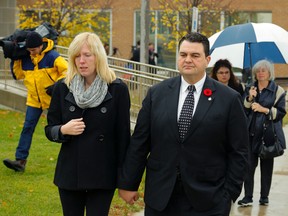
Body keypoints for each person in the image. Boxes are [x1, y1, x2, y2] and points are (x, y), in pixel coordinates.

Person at [118, 32, 249, 215]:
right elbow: (140, 142)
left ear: (207, 59)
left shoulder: (229, 99)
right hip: (161, 197)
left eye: (195, 55)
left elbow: (239, 151)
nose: (188, 60)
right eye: (183, 54)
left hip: (208, 200)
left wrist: (229, 194)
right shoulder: (157, 94)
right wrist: (128, 183)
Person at [44, 32, 131, 216]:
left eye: (87, 55)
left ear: (98, 57)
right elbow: (49, 128)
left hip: (102, 174)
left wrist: (126, 181)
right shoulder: (62, 87)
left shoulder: (117, 89)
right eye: (77, 56)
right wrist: (63, 130)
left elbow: (123, 138)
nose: (81, 61)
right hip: (70, 173)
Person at [3, 31, 67, 172]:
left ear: (40, 46)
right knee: (27, 128)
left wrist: (56, 86)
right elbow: (18, 75)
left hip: (53, 100)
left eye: (33, 50)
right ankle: (20, 161)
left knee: (66, 129)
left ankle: (73, 160)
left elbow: (67, 72)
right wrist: (15, 58)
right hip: (33, 100)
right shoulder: (26, 58)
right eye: (28, 50)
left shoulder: (53, 56)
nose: (31, 53)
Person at [238, 59, 286, 207]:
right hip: (251, 134)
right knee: (249, 167)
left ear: (269, 73)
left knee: (267, 167)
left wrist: (264, 109)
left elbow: (281, 113)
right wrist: (250, 97)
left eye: (263, 70)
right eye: (257, 71)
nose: (260, 73)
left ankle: (264, 197)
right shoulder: (250, 88)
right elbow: (244, 109)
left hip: (268, 135)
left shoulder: (278, 90)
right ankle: (248, 197)